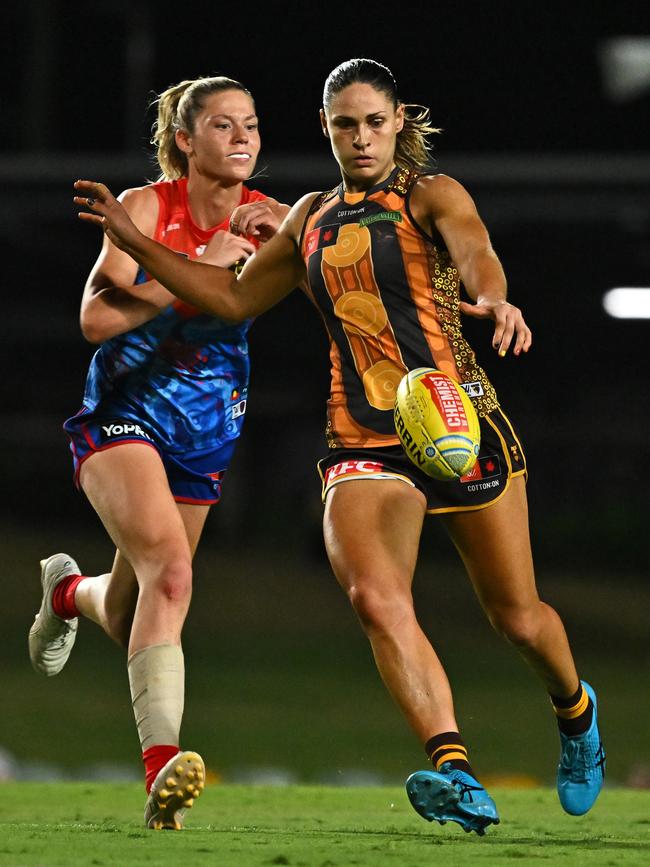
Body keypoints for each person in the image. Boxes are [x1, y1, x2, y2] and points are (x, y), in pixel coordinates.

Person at [73, 58, 605, 836]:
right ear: (326, 128)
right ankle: (455, 767)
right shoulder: (309, 219)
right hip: (362, 436)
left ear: (398, 124)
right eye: (346, 123)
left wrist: (493, 295)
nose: (361, 137)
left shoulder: (432, 194)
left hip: (454, 420)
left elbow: (476, 250)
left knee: (518, 617)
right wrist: (134, 242)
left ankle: (576, 710)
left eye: (375, 122)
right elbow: (227, 295)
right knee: (375, 596)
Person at [29, 74, 288, 830]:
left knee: (133, 604)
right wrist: (182, 266)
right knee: (173, 575)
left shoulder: (271, 222)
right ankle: (162, 767)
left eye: (252, 123)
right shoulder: (144, 209)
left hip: (207, 426)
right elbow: (94, 321)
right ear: (184, 139)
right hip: (122, 415)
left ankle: (66, 593)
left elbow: (265, 298)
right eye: (222, 124)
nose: (242, 137)